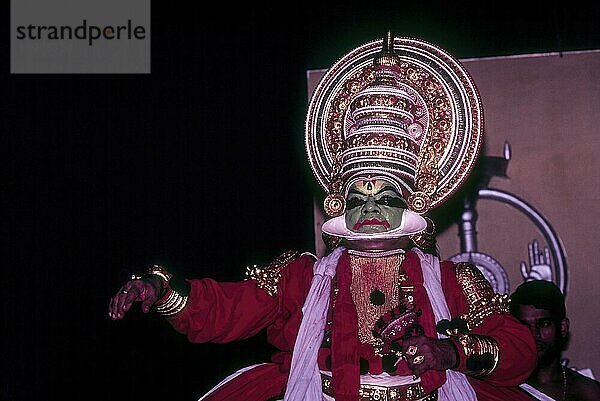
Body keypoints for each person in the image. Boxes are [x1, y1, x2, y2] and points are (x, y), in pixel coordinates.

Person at [109, 32, 538, 401]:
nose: (369, 208)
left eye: (385, 195)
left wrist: (451, 353)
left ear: (412, 203)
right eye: (358, 196)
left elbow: (519, 350)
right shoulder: (301, 278)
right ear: (340, 205)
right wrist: (162, 290)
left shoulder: (452, 281)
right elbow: (224, 311)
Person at [510, 280, 600, 401]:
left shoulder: (587, 392)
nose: (534, 334)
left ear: (563, 327)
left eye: (544, 324)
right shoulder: (500, 388)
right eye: (524, 326)